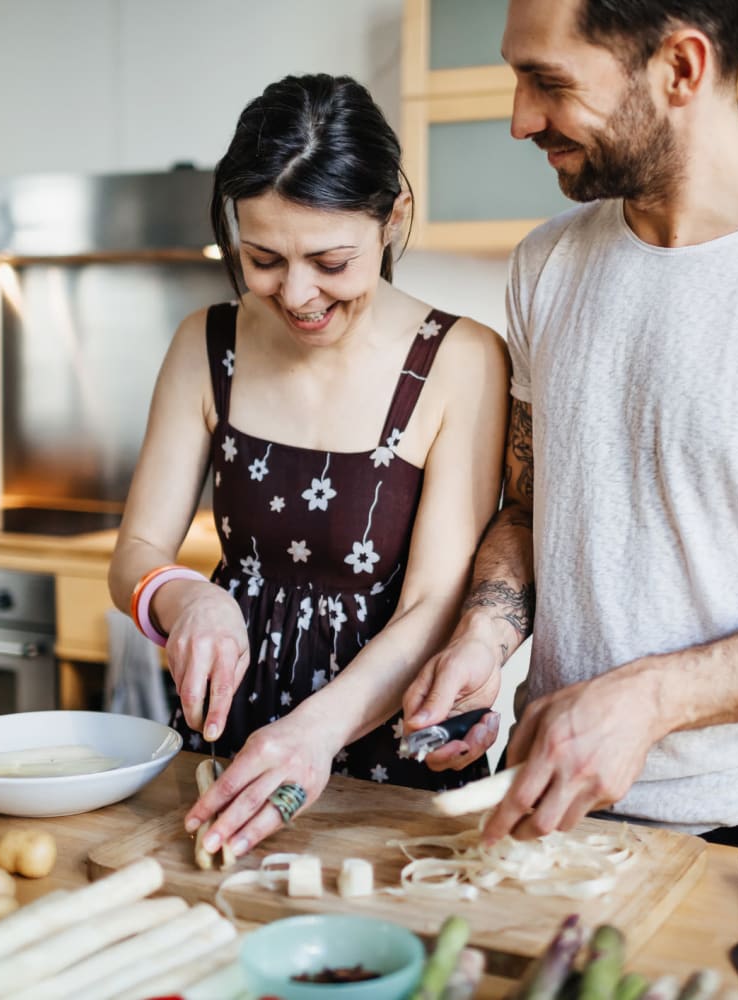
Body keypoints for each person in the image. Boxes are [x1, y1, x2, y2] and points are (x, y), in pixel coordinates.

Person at [402, 0, 738, 865]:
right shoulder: (547, 263)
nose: (519, 119)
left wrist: (646, 701)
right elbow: (532, 509)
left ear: (682, 69)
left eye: (549, 82)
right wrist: (483, 637)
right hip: (557, 785)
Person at [108, 73, 509, 858]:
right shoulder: (205, 342)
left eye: (330, 261)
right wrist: (187, 601)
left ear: (392, 219)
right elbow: (136, 555)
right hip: (227, 750)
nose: (296, 295)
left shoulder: (460, 359)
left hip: (391, 753)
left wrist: (314, 734)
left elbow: (434, 601)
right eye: (262, 258)